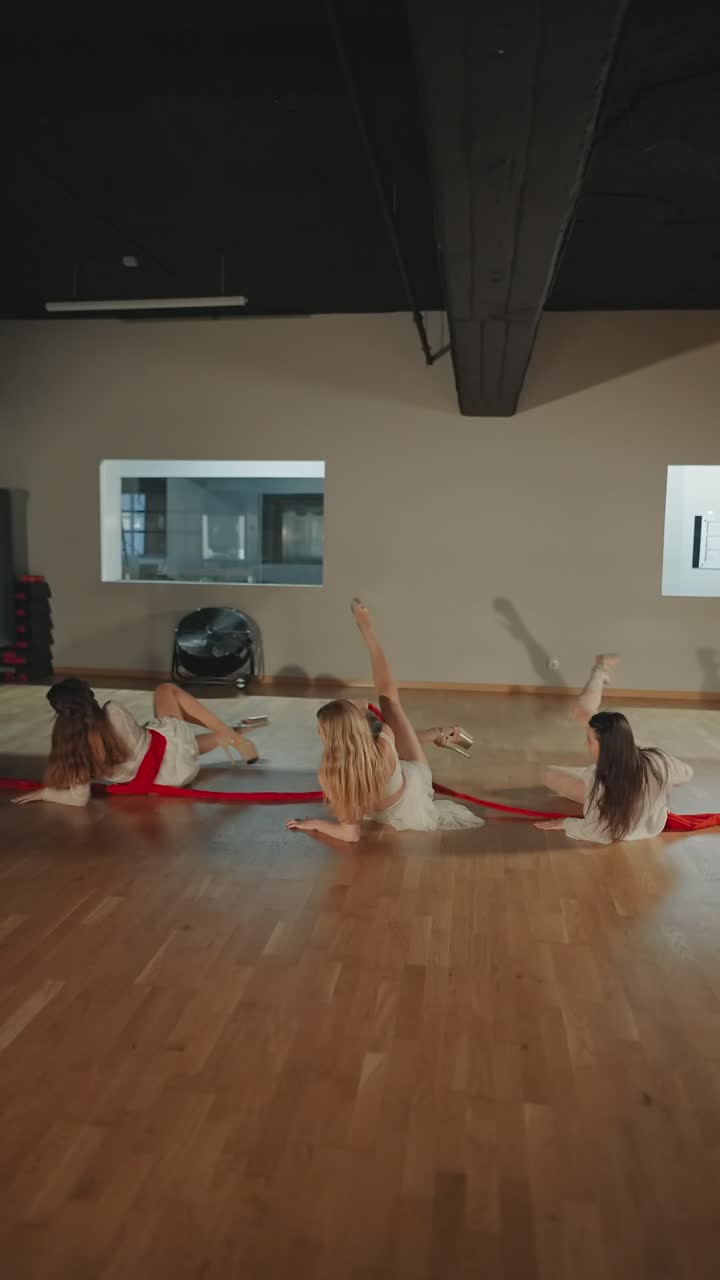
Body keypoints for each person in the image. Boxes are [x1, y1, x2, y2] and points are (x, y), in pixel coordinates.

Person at [286, 599, 484, 842]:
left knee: (396, 740)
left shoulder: (328, 774)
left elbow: (350, 835)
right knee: (390, 702)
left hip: (381, 811)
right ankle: (440, 733)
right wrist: (357, 704)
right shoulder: (384, 740)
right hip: (414, 796)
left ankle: (438, 734)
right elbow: (387, 697)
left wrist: (315, 823)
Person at [12, 678, 259, 808]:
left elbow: (78, 799)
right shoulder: (113, 711)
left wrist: (47, 793)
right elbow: (146, 741)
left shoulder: (70, 744)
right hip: (170, 760)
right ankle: (229, 733)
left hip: (159, 780)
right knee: (166, 691)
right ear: (89, 697)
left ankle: (225, 735)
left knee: (175, 742)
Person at [536, 655, 693, 843]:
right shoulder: (658, 761)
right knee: (584, 711)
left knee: (549, 774)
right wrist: (657, 788)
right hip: (648, 813)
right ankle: (600, 669)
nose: (586, 745)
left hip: (621, 804)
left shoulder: (598, 780)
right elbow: (687, 772)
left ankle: (600, 668)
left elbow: (598, 832)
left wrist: (566, 824)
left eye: (590, 741)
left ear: (608, 745)